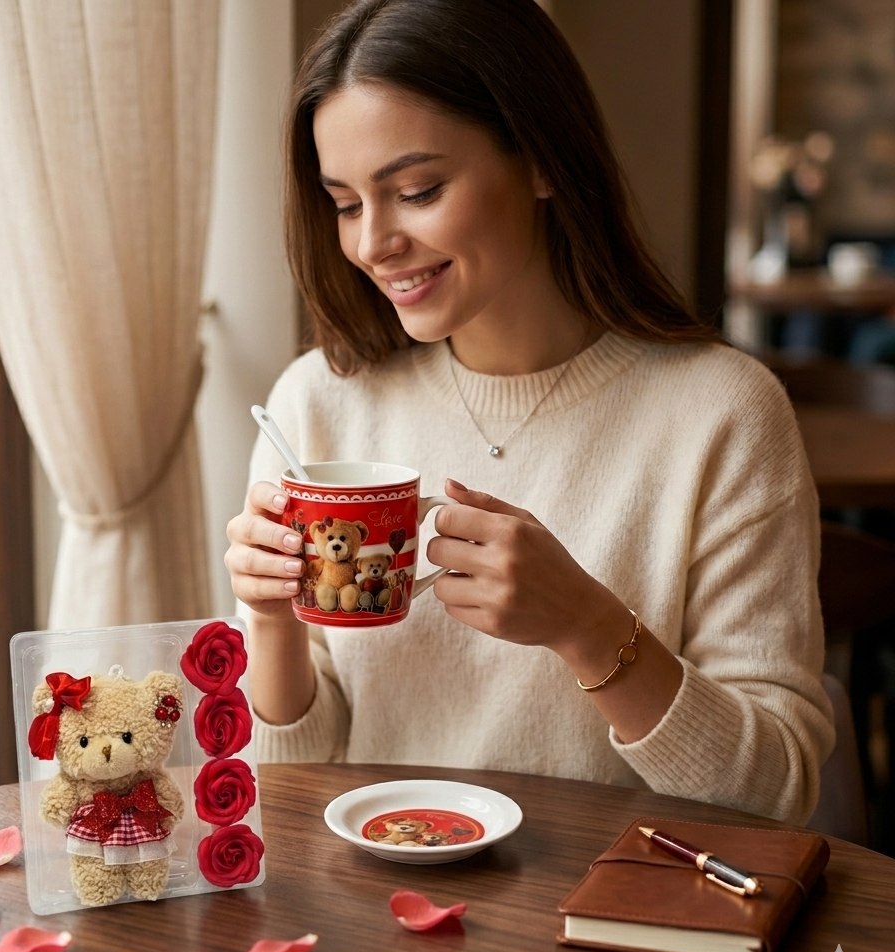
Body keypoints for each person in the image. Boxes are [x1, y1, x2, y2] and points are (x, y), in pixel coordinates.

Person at [224, 0, 834, 825]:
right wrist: (271, 621)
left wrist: (587, 626)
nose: (373, 244)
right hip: (371, 919)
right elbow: (292, 785)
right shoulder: (315, 406)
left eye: (417, 190)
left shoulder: (721, 415)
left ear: (542, 160)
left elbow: (778, 790)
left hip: (607, 926)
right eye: (345, 203)